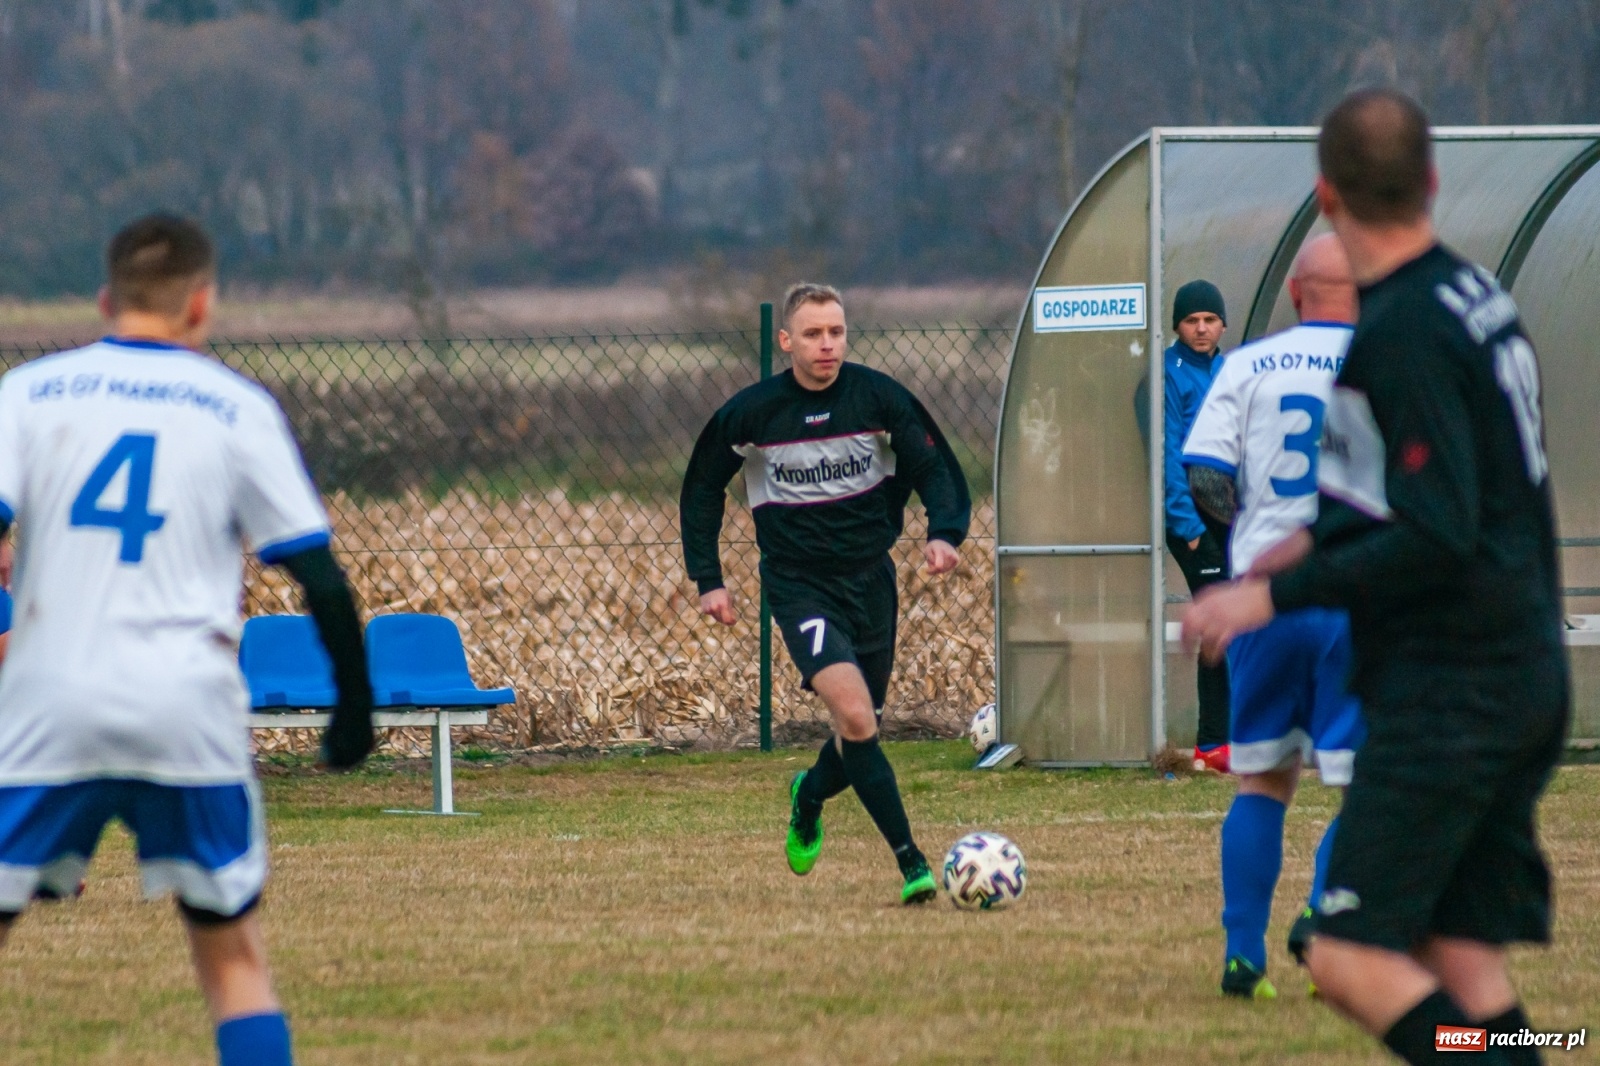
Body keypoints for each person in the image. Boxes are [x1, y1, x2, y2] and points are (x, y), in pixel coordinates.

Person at [1183, 90, 1567, 1066]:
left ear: (1325, 197)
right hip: (1517, 664)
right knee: (1463, 969)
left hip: (1456, 687)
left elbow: (1432, 536)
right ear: (1430, 181)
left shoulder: (1398, 335)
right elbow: (1448, 496)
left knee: (1349, 957)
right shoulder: (1476, 301)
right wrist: (1312, 544)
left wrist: (1266, 593)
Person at [0, 214, 374, 1066]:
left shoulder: (28, 392)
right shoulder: (237, 407)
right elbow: (316, 574)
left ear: (104, 300)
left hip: (51, 699)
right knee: (232, 956)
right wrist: (352, 710)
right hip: (185, 707)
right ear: (201, 306)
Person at [679, 282, 970, 905]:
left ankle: (808, 796)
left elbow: (934, 466)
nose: (827, 344)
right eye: (813, 333)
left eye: (836, 331)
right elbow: (703, 485)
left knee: (860, 730)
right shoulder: (753, 412)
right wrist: (709, 578)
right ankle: (912, 862)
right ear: (786, 342)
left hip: (872, 580)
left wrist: (945, 532)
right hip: (800, 585)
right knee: (858, 716)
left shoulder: (879, 398)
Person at [1180, 234, 1364, 999]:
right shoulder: (1386, 360)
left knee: (1262, 782)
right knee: (1369, 786)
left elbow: (1204, 475)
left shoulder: (1247, 364)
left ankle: (1242, 955)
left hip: (1261, 597)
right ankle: (1323, 920)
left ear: (1294, 293)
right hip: (1357, 594)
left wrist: (1249, 541)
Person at [1162, 279, 1234, 773]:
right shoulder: (1169, 374)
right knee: (1217, 623)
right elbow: (1167, 454)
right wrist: (1186, 522)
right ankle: (1212, 743)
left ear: (1223, 324)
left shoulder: (1232, 370)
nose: (1202, 328)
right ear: (1177, 326)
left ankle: (1242, 735)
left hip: (1233, 514)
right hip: (1193, 519)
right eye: (1192, 320)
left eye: (1210, 319)